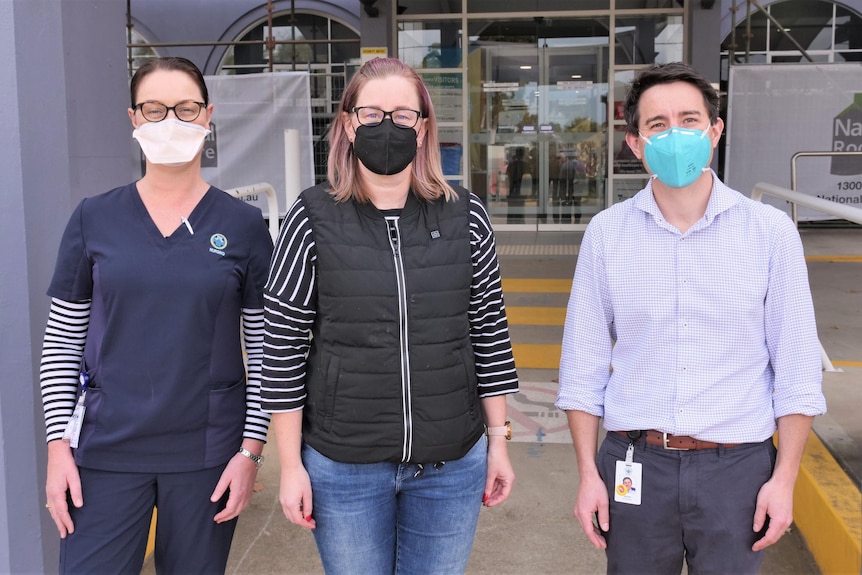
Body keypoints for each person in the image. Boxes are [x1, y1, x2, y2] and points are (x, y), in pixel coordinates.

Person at [555, 62, 826, 574]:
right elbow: (582, 368)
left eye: (689, 119)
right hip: (636, 465)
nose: (674, 134)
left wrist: (784, 479)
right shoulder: (607, 234)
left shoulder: (770, 233)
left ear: (715, 131)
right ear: (635, 143)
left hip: (738, 469)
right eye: (657, 125)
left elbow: (796, 370)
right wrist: (588, 474)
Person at [261, 57, 519, 575]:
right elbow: (281, 350)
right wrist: (289, 466)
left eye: (404, 115)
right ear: (347, 123)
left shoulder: (465, 214)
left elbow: (489, 333)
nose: (388, 125)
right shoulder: (309, 217)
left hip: (451, 463)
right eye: (372, 112)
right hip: (344, 468)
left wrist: (499, 443)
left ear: (423, 128)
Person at [39, 56, 273, 574]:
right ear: (133, 119)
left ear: (207, 116)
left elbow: (265, 351)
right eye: (154, 109)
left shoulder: (244, 226)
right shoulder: (93, 219)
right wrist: (58, 447)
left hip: (208, 454)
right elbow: (61, 343)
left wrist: (250, 452)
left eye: (185, 109)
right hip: (105, 450)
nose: (171, 121)